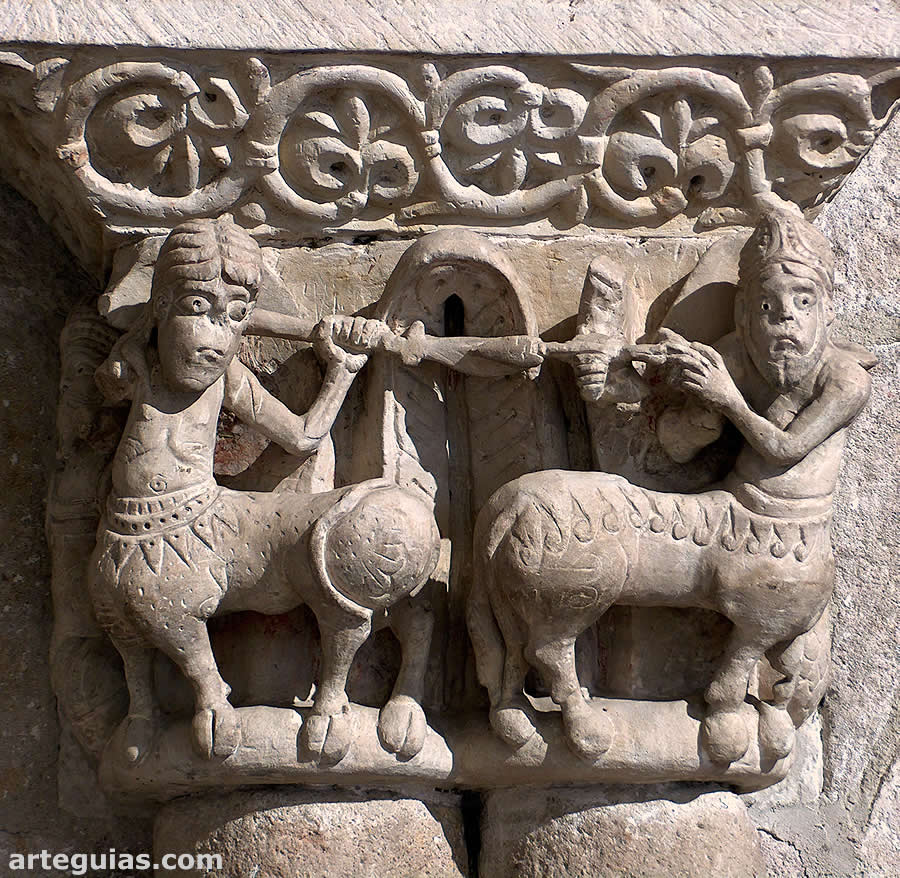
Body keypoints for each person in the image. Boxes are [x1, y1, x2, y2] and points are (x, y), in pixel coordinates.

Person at [90, 216, 439, 764]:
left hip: (207, 520)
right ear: (161, 308)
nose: (212, 340)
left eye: (233, 319)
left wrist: (343, 369)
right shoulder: (140, 364)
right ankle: (143, 704)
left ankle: (228, 692)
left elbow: (301, 437)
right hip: (142, 517)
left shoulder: (227, 377)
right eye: (197, 310)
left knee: (298, 555)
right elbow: (106, 380)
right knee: (118, 596)